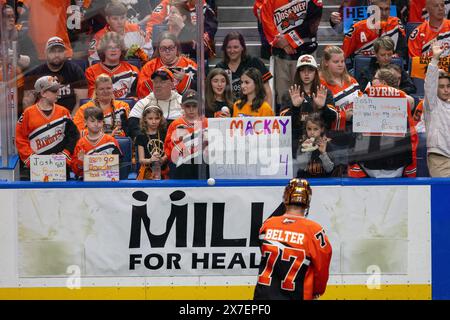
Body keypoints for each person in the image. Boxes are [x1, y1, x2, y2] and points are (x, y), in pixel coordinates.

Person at [253, 178, 332, 300]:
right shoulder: (314, 231)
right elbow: (321, 268)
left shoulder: (268, 225)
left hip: (263, 296)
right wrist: (317, 290)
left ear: (285, 199)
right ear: (307, 202)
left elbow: (263, 250)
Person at [348, 68, 416, 178]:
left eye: (374, 78)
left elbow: (356, 138)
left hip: (370, 165)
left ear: (383, 83)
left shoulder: (366, 97)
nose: (371, 81)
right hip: (396, 165)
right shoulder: (405, 100)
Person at [260, 0, 322, 113]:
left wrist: (288, 40)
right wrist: (281, 43)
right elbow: (266, 20)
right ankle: (285, 127)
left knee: (308, 92)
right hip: (281, 55)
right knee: (283, 95)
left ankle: (310, 126)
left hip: (306, 53)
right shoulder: (269, 2)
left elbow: (313, 21)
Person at [15, 76, 80, 175]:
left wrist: (65, 154)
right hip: (37, 167)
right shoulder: (28, 113)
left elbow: (74, 135)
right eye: (54, 91)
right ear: (43, 93)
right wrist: (31, 159)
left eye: (58, 90)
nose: (58, 93)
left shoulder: (63, 111)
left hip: (60, 166)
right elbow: (20, 139)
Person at [280, 55, 337, 157]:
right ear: (298, 73)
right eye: (302, 70)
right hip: (297, 143)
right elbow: (284, 124)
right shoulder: (289, 93)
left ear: (316, 72)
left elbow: (332, 119)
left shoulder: (324, 92)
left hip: (322, 143)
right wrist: (295, 108)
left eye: (310, 70)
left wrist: (322, 107)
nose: (306, 74)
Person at [23, 36, 88, 115]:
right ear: (46, 53)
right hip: (43, 121)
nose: (56, 55)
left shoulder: (75, 70)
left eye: (60, 51)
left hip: (69, 118)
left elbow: (81, 102)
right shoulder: (35, 74)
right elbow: (27, 104)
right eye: (52, 51)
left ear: (65, 53)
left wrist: (71, 121)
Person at [145, 0, 217, 59]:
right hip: (167, 51)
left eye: (173, 13)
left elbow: (205, 39)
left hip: (194, 56)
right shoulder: (166, 4)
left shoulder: (202, 6)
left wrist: (183, 27)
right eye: (170, 13)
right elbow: (152, 25)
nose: (171, 15)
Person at [215, 32, 273, 103]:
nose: (232, 51)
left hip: (253, 110)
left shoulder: (254, 63)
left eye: (236, 47)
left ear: (242, 47)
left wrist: (268, 113)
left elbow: (267, 91)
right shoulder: (219, 68)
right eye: (229, 47)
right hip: (228, 112)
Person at [88, 1, 152, 63]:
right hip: (109, 72)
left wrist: (139, 54)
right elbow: (93, 61)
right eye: (115, 19)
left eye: (122, 18)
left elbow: (149, 52)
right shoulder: (98, 37)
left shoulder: (135, 28)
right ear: (107, 19)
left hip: (136, 70)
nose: (119, 22)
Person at [137, 31, 197, 98]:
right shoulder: (149, 67)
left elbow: (200, 90)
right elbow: (140, 93)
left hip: (184, 105)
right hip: (157, 105)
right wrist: (156, 79)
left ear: (176, 48)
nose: (167, 51)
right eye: (163, 48)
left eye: (171, 47)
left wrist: (184, 79)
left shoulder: (190, 65)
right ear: (159, 50)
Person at [164, 89, 208, 179]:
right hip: (182, 165)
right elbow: (168, 148)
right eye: (188, 106)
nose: (191, 109)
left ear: (200, 106)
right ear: (182, 106)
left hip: (202, 164)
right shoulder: (175, 124)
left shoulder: (206, 122)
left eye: (194, 106)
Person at [343, 0, 407, 61]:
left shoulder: (395, 23)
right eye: (379, 9)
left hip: (389, 66)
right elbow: (345, 54)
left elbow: (402, 49)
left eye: (387, 9)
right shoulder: (357, 27)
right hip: (364, 67)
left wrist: (396, 55)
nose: (384, 13)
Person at [128, 67, 182, 140]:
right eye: (155, 82)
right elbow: (133, 127)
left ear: (172, 84)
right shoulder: (143, 103)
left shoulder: (182, 102)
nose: (158, 85)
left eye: (162, 82)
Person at [71, 106, 122, 178]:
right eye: (92, 121)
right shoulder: (80, 143)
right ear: (85, 122)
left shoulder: (110, 141)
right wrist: (80, 162)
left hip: (107, 180)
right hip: (86, 182)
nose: (96, 124)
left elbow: (120, 163)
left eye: (99, 121)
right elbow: (75, 171)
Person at [85, 31, 140, 99]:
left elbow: (138, 98)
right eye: (109, 47)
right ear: (103, 50)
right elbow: (92, 99)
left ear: (121, 50)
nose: (113, 50)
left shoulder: (133, 70)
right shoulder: (91, 72)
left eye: (117, 47)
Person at [423, 40, 450, 177]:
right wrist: (435, 59)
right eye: (441, 86)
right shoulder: (432, 104)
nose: (446, 90)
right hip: (440, 159)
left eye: (448, 86)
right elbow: (430, 84)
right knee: (445, 196)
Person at [296, 114, 336, 178]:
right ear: (305, 129)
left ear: (322, 129)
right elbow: (301, 167)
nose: (312, 132)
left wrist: (323, 153)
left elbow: (329, 169)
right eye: (309, 129)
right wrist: (308, 150)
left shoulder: (327, 145)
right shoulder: (302, 145)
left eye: (315, 129)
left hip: (323, 183)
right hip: (307, 181)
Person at [136, 105, 169, 180]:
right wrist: (151, 160)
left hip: (164, 172)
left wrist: (162, 159)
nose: (154, 122)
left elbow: (168, 152)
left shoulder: (164, 133)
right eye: (150, 118)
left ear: (161, 119)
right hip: (147, 174)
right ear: (145, 119)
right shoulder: (141, 136)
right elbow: (141, 160)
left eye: (157, 118)